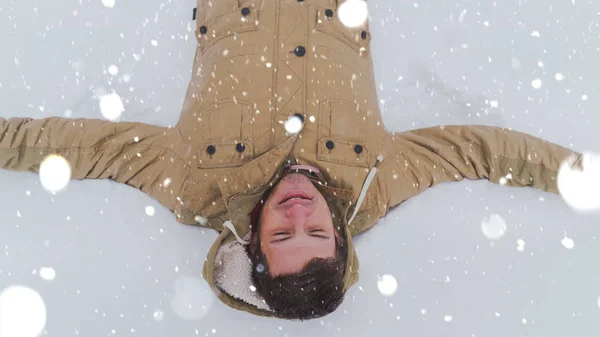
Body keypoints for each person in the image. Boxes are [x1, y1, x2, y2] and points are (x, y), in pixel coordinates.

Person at [0, 0, 586, 320]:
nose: (300, 211)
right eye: (318, 233)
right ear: (341, 240)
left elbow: (81, 149)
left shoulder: (190, 185)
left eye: (283, 234)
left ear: (253, 242)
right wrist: (580, 177)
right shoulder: (377, 181)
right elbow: (481, 153)